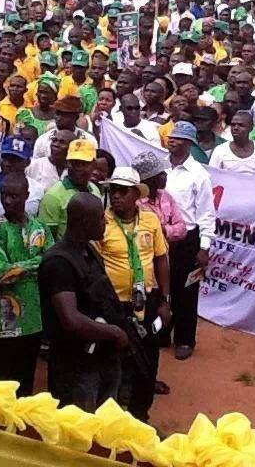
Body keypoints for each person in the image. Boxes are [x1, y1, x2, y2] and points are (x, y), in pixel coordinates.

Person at [37, 192, 130, 411]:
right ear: (84, 222)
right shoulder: (59, 262)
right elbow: (71, 320)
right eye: (100, 218)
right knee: (78, 430)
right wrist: (115, 333)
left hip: (102, 358)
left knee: (106, 425)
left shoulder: (88, 251)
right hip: (75, 365)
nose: (105, 222)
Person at [95, 165, 170, 422]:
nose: (116, 196)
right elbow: (95, 266)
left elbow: (161, 259)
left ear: (136, 194)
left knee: (147, 359)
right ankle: (109, 415)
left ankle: (140, 413)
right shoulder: (101, 223)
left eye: (122, 191)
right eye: (113, 190)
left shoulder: (150, 220)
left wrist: (165, 300)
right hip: (114, 304)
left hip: (146, 301)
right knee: (113, 360)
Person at [0, 172, 54, 396]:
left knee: (25, 380)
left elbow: (52, 261)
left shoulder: (40, 228)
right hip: (5, 319)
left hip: (34, 318)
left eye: (14, 196)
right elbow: (2, 272)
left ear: (26, 195)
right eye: (4, 195)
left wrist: (22, 267)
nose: (7, 201)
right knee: (1, 382)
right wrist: (38, 262)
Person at [163, 120, 215, 360]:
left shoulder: (199, 175)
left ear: (189, 143)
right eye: (172, 137)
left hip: (188, 240)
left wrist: (204, 247)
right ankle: (162, 332)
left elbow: (206, 214)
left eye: (179, 138)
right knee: (162, 288)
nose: (172, 141)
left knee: (186, 291)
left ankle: (185, 339)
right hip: (161, 235)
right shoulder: (162, 167)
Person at [38, 138, 102, 239]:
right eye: (74, 163)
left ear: (94, 165)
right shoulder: (53, 197)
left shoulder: (95, 190)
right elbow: (48, 240)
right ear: (67, 163)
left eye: (84, 163)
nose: (79, 168)